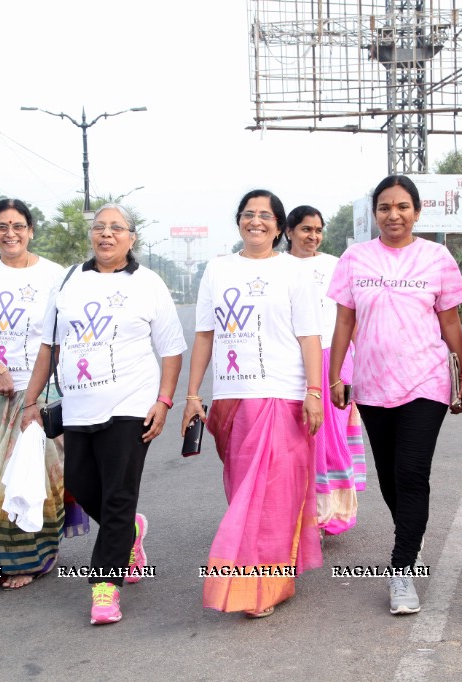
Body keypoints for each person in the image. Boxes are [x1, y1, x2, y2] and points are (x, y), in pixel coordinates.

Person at [23, 203, 186, 626]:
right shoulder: (69, 282)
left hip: (131, 404)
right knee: (80, 484)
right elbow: (49, 347)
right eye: (99, 227)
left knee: (117, 496)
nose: (107, 235)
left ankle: (105, 587)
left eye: (117, 228)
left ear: (132, 238)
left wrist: (164, 401)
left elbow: (171, 349)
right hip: (78, 407)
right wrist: (29, 401)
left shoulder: (148, 284)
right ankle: (129, 531)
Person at [327, 175, 462, 616]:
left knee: (411, 473)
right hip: (372, 385)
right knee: (391, 476)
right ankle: (414, 532)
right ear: (375, 213)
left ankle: (402, 568)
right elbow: (344, 324)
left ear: (417, 212)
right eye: (385, 207)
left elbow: (450, 324)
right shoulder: (355, 259)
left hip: (425, 383)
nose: (394, 215)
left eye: (403, 206)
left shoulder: (436, 257)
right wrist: (334, 376)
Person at [182, 189, 324, 619]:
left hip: (283, 394)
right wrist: (192, 395)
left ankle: (261, 584)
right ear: (239, 221)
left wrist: (314, 392)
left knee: (271, 494)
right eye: (248, 214)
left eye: (265, 215)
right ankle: (272, 570)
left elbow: (310, 337)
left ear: (279, 227)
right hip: (231, 398)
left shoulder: (292, 271)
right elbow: (204, 334)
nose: (255, 221)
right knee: (244, 489)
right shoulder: (218, 269)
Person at [0, 198, 74, 600]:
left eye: (18, 225)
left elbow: (61, 336)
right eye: (2, 226)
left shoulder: (54, 275)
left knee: (36, 475)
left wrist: (37, 394)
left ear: (31, 230)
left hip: (41, 393)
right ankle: (7, 556)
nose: (11, 233)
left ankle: (34, 558)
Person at [284, 205, 365, 536]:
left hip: (335, 356)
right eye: (305, 229)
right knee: (297, 433)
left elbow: (351, 316)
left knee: (328, 432)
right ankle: (299, 510)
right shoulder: (278, 268)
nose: (312, 236)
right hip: (292, 357)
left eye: (318, 230)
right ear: (288, 231)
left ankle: (330, 511)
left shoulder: (336, 265)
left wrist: (357, 361)